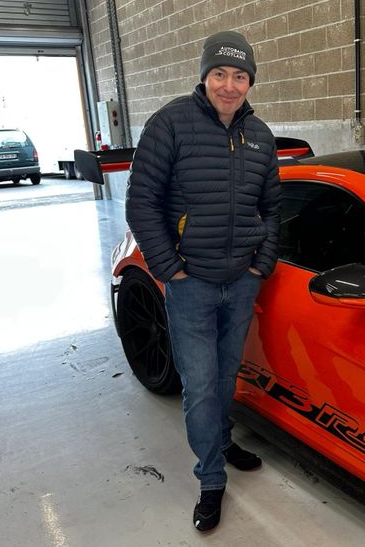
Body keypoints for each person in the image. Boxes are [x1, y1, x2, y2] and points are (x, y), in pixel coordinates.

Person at [125, 30, 280, 532]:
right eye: (220, 74)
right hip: (191, 283)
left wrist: (260, 265)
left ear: (250, 81)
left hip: (241, 280)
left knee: (226, 375)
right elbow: (141, 203)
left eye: (240, 76)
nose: (229, 85)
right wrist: (170, 269)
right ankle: (211, 478)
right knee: (200, 385)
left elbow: (272, 209)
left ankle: (222, 440)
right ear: (204, 76)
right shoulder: (170, 124)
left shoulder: (260, 136)